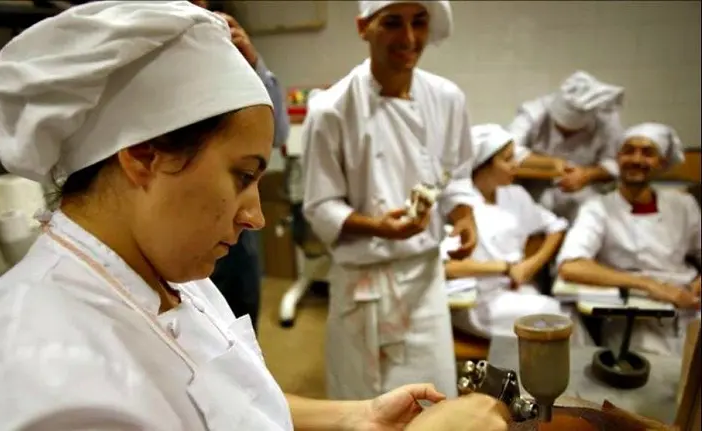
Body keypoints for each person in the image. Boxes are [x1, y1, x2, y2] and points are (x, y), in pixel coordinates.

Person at [0, 2, 512, 430]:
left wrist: (356, 416)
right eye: (243, 176)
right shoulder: (47, 391)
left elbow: (229, 398)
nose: (256, 216)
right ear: (143, 156)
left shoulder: (168, 273)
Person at [302, 0, 479, 401]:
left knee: (432, 400)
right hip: (363, 285)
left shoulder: (447, 98)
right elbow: (320, 205)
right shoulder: (330, 110)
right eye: (393, 23)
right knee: (364, 405)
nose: (410, 38)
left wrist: (464, 215)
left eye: (419, 23)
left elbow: (456, 175)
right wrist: (381, 227)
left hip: (424, 281)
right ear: (363, 27)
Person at [557, 123, 701, 356]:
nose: (637, 159)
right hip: (634, 313)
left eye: (647, 152)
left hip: (690, 307)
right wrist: (649, 285)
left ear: (661, 163)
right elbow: (571, 266)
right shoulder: (598, 208)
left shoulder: (683, 205)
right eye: (629, 151)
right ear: (618, 158)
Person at [191, 0, 291, 332]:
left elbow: (278, 132)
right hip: (187, 221)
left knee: (239, 321)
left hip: (231, 239)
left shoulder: (230, 48)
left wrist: (253, 64)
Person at [446, 124, 568, 339]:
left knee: (561, 315)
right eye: (507, 159)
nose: (516, 165)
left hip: (514, 291)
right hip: (476, 300)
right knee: (553, 315)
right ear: (483, 164)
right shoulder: (460, 207)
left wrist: (530, 265)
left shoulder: (515, 195)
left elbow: (556, 227)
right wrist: (505, 268)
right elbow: (449, 267)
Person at [508, 71, 625, 221]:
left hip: (583, 192)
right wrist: (553, 165)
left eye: (574, 131)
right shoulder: (533, 112)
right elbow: (508, 150)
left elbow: (615, 161)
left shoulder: (607, 120)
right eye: (560, 128)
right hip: (531, 189)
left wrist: (587, 174)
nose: (566, 133)